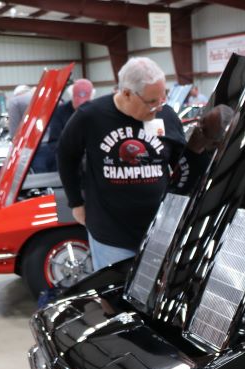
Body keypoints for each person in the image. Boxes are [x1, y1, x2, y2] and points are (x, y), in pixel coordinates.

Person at [56, 57, 186, 270]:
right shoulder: (91, 116)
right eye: (152, 101)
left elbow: (183, 163)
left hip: (160, 231)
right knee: (114, 298)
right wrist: (76, 203)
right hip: (111, 235)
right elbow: (66, 156)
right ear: (126, 93)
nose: (159, 107)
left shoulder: (166, 117)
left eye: (162, 98)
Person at [31, 78, 94, 173]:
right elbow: (54, 142)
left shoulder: (95, 111)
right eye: (78, 103)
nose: (81, 108)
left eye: (85, 103)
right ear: (71, 96)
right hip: (66, 161)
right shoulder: (60, 112)